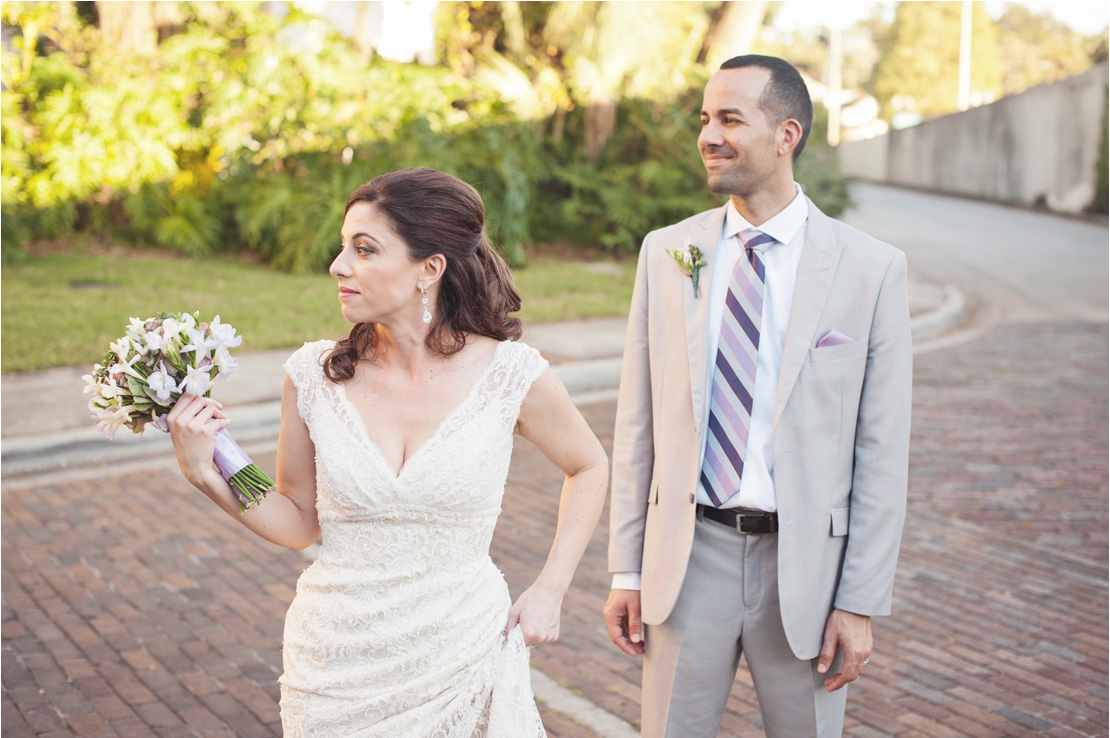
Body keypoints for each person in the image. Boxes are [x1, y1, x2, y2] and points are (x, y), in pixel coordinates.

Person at [168, 167, 608, 737]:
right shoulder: (313, 376)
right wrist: (206, 474)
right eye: (342, 246)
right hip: (335, 667)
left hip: (463, 652)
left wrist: (550, 588)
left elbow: (590, 464)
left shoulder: (509, 374)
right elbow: (297, 522)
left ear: (429, 268)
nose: (338, 265)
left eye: (364, 249)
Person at [603, 55, 912, 737]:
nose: (708, 135)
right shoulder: (668, 254)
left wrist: (858, 601)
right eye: (705, 119)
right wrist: (627, 568)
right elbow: (638, 427)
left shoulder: (871, 270)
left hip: (807, 571)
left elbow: (882, 453)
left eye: (730, 119)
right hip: (689, 560)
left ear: (787, 134)